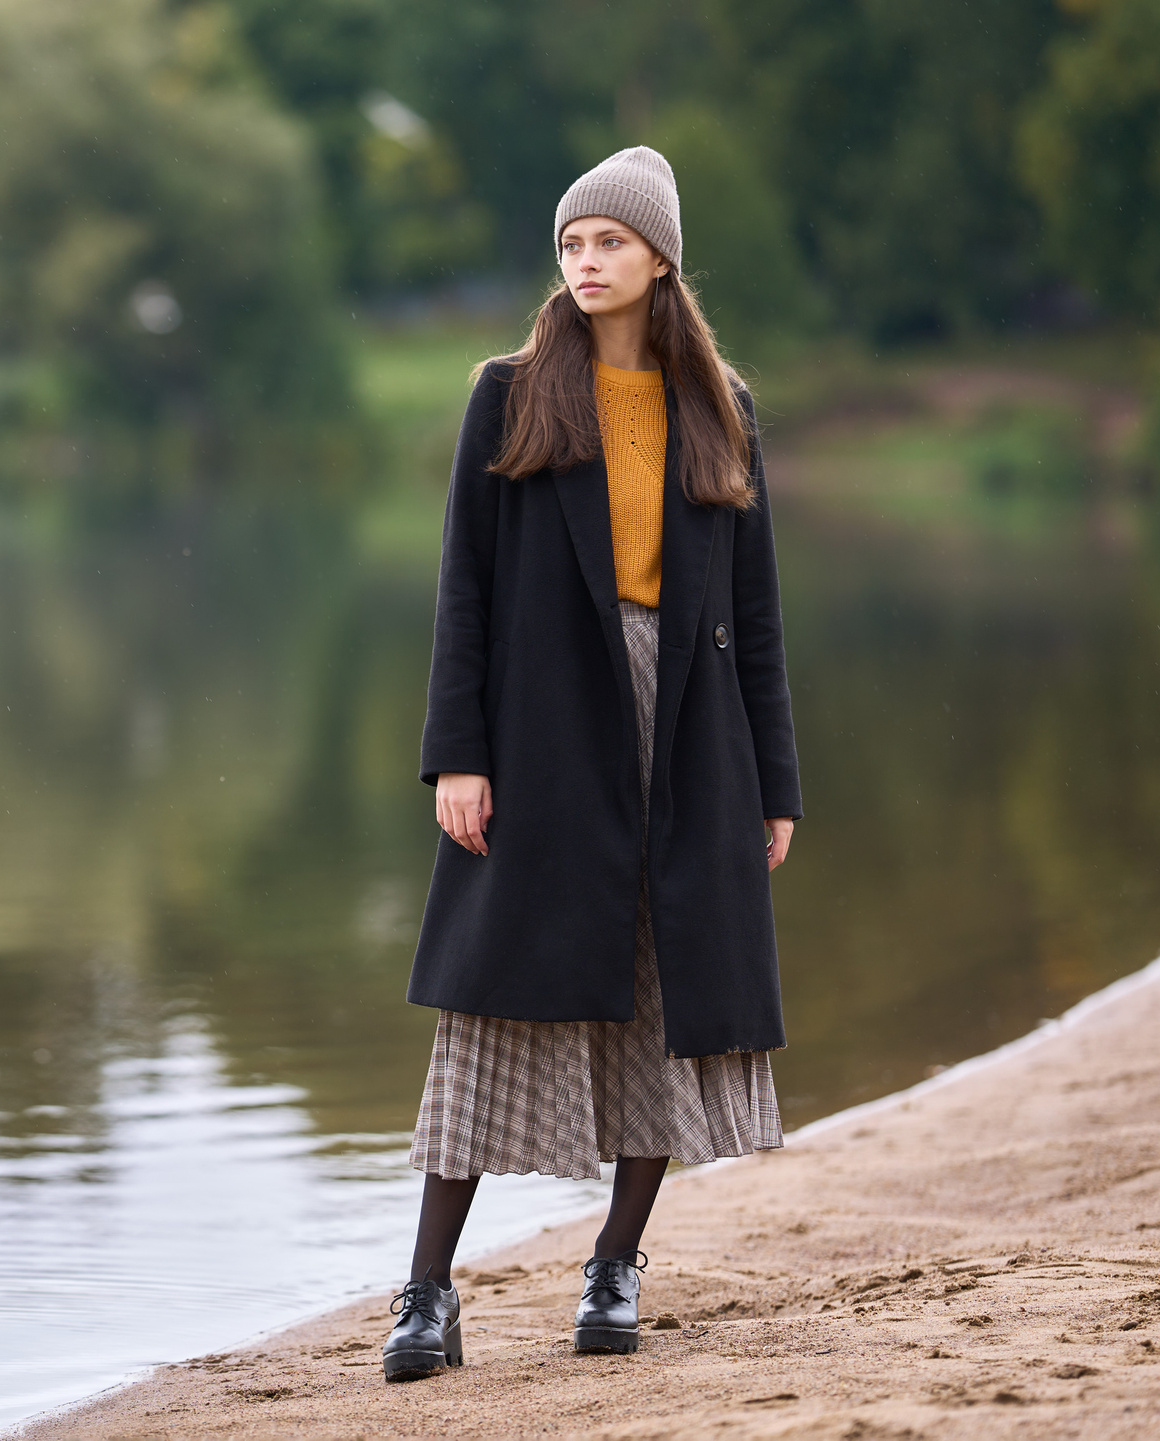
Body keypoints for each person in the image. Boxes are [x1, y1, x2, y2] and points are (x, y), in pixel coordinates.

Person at [379, 146, 803, 1383]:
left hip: (689, 729)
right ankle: (424, 1293)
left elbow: (758, 617)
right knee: (485, 1012)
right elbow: (464, 592)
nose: (585, 262)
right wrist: (456, 755)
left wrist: (773, 782)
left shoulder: (716, 400)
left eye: (608, 242)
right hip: (545, 727)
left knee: (665, 1000)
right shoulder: (507, 395)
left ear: (658, 256)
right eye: (571, 244)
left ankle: (614, 1265)